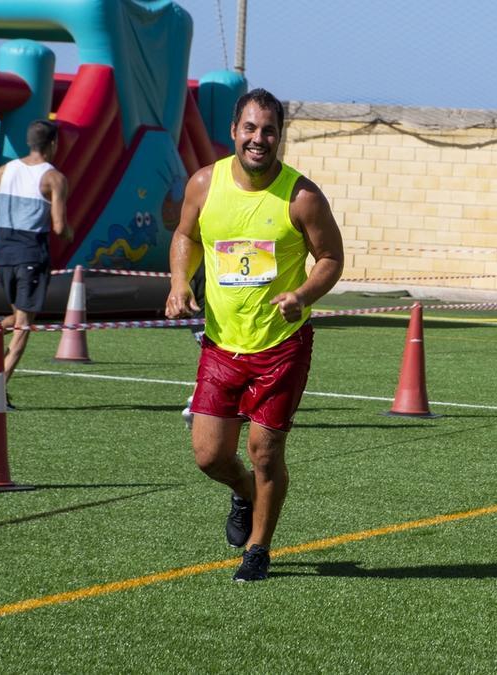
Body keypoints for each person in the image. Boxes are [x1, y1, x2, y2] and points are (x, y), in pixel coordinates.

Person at [165, 88, 344, 582]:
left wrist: (302, 295)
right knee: (208, 456)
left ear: (280, 135)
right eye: (250, 128)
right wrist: (180, 282)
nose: (258, 139)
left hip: (280, 347)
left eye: (269, 130)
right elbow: (184, 235)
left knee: (265, 451)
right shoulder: (205, 184)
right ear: (234, 132)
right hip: (222, 345)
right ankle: (244, 492)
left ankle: (258, 548)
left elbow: (331, 259)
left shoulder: (302, 197)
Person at [0, 120, 73, 404]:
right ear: (53, 144)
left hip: (3, 252)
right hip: (30, 254)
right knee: (25, 326)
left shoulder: (6, 169)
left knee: (22, 317)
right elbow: (60, 227)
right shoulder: (53, 178)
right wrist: (71, 233)